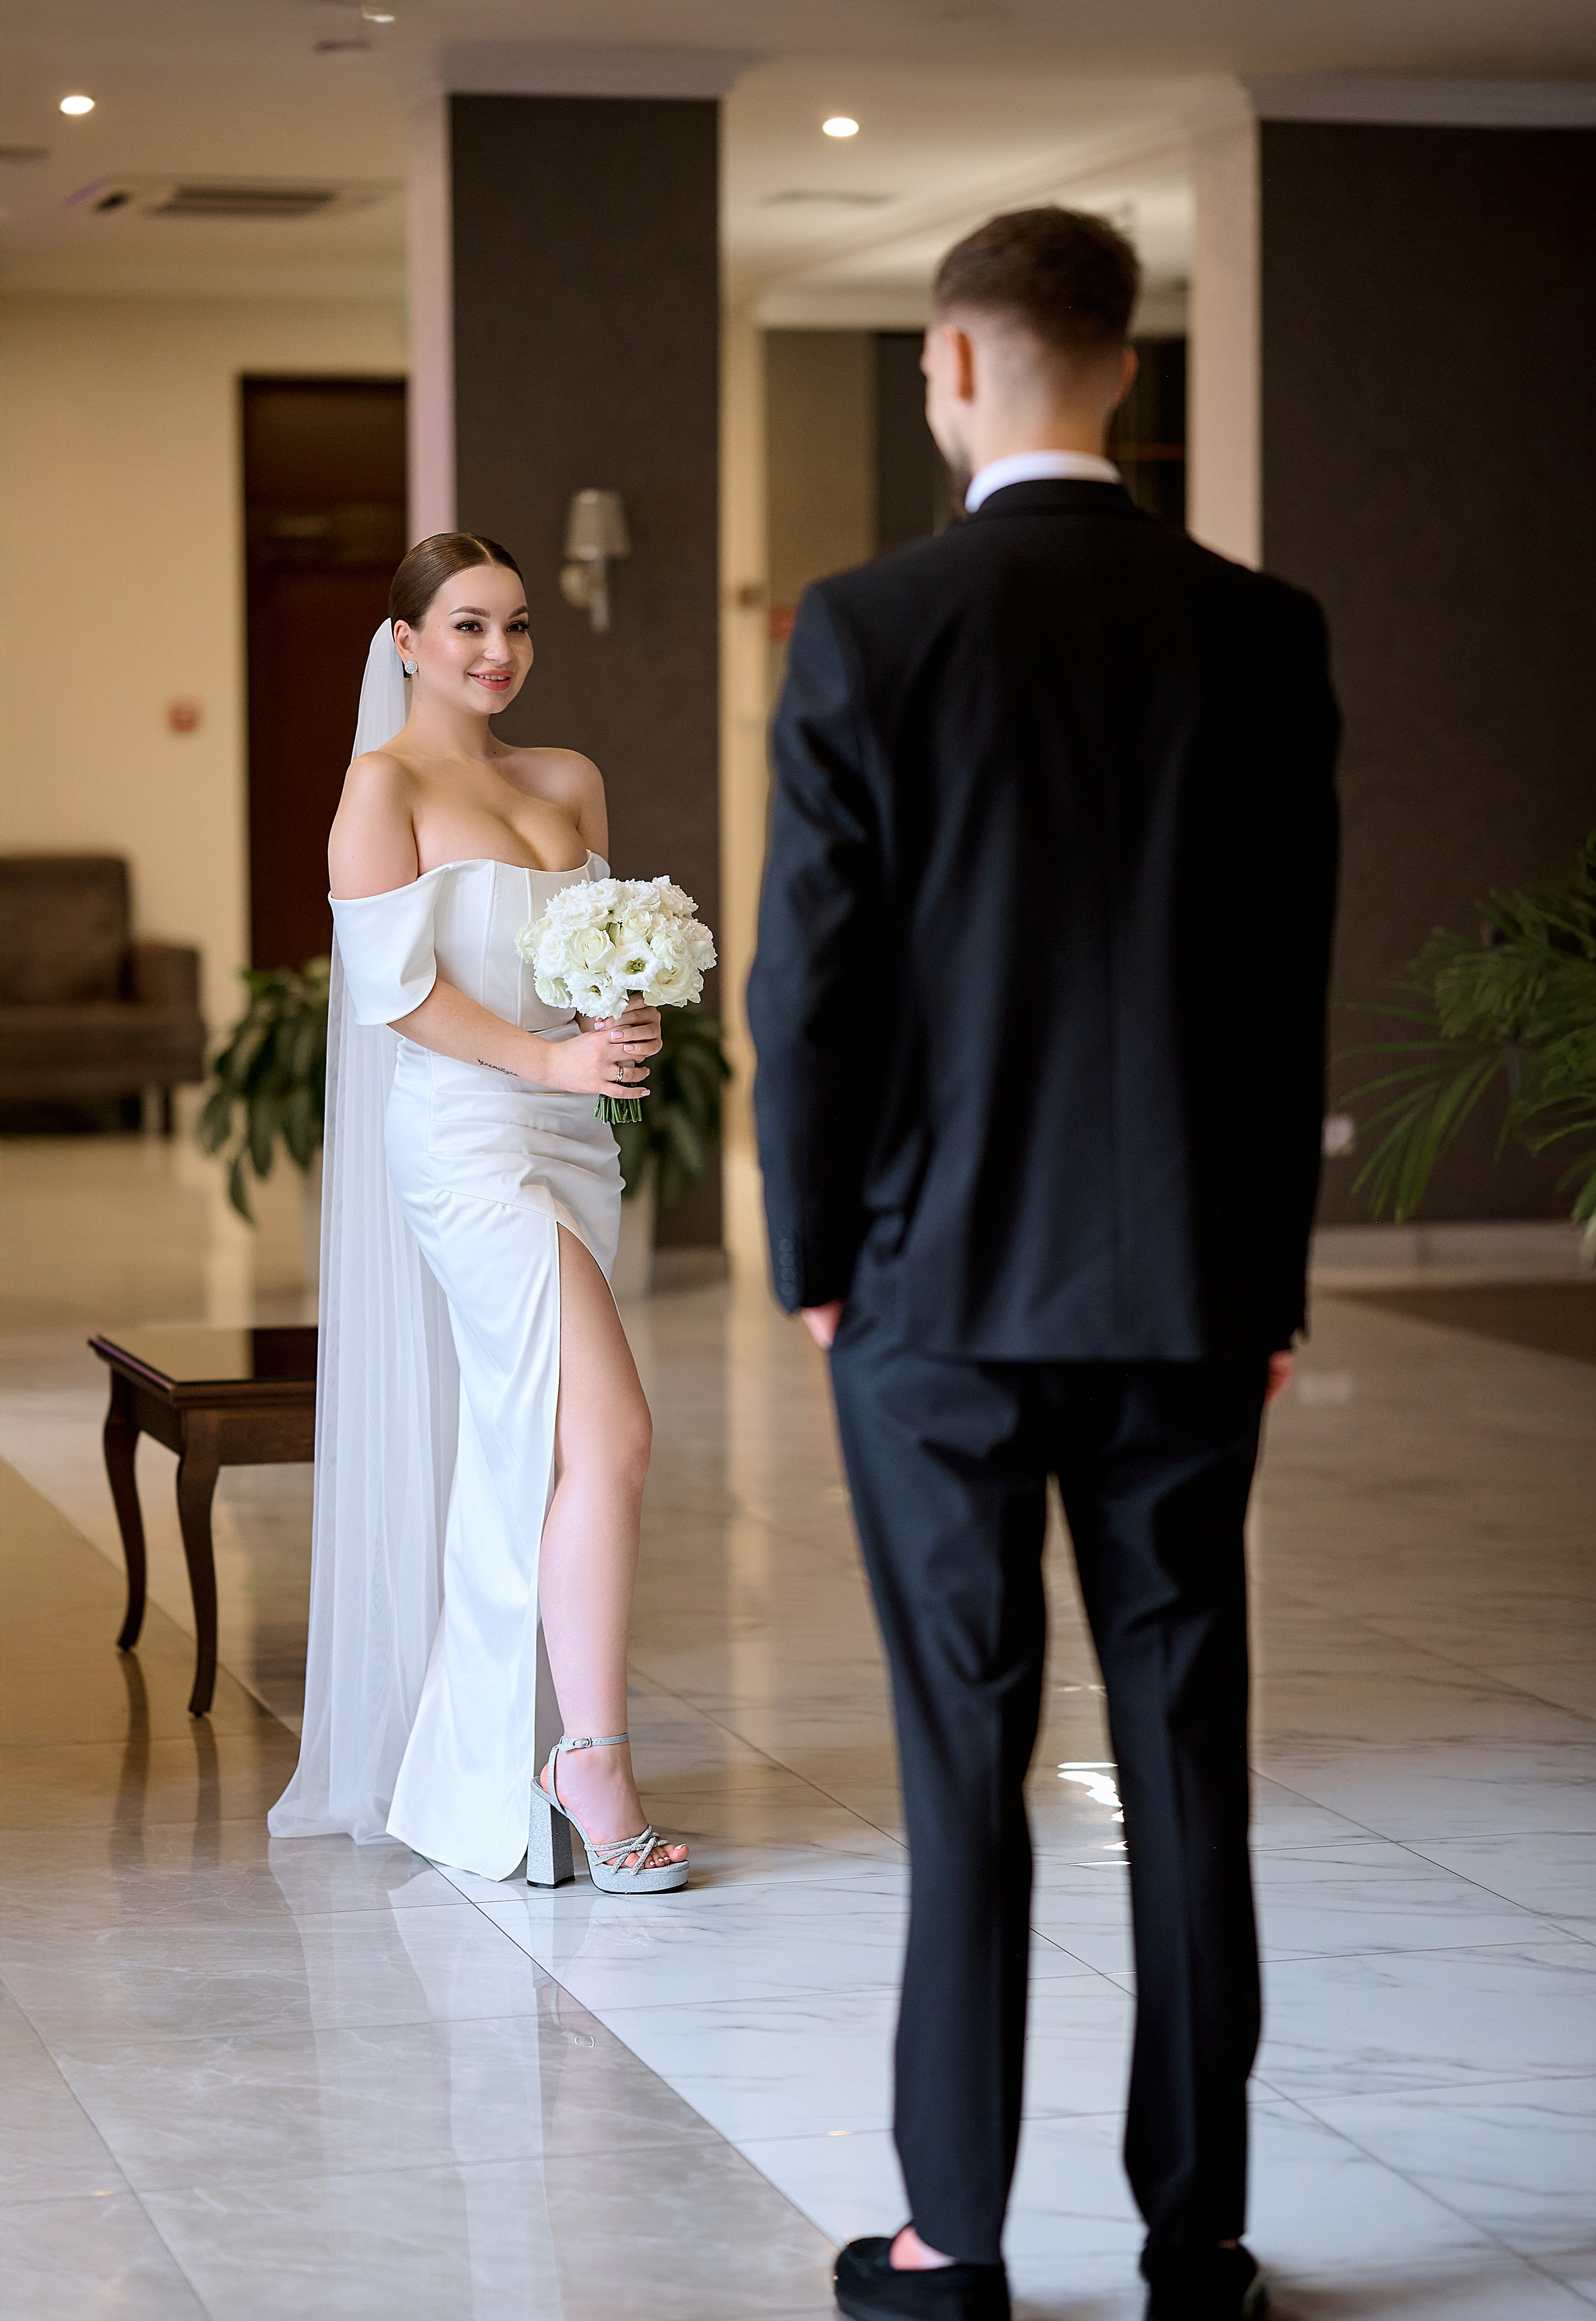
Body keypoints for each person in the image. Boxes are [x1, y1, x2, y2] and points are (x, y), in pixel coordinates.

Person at [749, 209, 1339, 2320]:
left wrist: (818, 1256)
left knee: (961, 1756)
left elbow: (811, 986)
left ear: (961, 368)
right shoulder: (1262, 633)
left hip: (933, 1296)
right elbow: (1286, 991)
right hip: (1185, 1287)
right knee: (1186, 1748)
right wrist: (1263, 1280)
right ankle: (1200, 2240)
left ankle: (952, 2239)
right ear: (1125, 369)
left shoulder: (873, 626)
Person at [269, 531, 688, 1894]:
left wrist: (615, 1020)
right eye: (464, 626)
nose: (496, 651)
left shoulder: (567, 778)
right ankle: (592, 1763)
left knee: (554, 1446)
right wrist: (546, 1058)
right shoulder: (376, 789)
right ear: (404, 642)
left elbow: (590, 952)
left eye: (512, 625)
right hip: (463, 1140)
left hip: (571, 1135)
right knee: (612, 1431)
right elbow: (398, 995)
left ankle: (508, 1755)